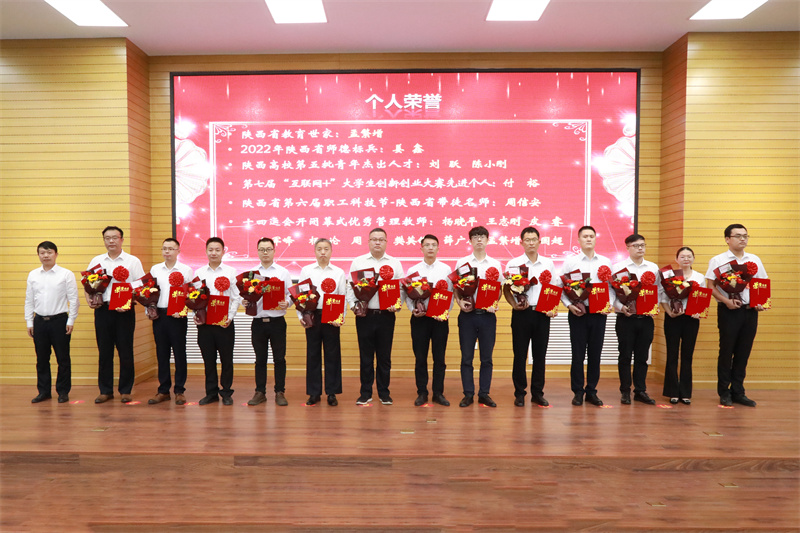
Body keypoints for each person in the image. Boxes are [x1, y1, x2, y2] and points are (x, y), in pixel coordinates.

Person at [706, 224, 769, 407]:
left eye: (745, 236)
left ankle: (738, 391)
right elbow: (710, 286)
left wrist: (761, 302)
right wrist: (726, 301)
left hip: (750, 311)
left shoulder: (754, 259)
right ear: (727, 239)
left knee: (743, 351)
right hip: (728, 311)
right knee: (726, 351)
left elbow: (761, 283)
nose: (743, 239)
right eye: (738, 236)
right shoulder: (718, 260)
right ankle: (724, 391)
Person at [86, 226, 144, 404]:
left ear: (121, 240)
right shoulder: (97, 261)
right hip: (103, 310)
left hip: (125, 312)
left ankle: (125, 390)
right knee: (104, 351)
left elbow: (141, 286)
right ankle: (105, 390)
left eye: (114, 237)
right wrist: (89, 299)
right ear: (104, 240)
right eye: (107, 238)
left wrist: (128, 300)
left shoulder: (132, 261)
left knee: (125, 351)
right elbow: (88, 284)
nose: (111, 241)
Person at [347, 228, 404, 405]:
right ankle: (365, 393)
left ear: (386, 242)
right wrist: (353, 306)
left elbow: (401, 288)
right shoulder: (358, 262)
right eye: (374, 239)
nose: (377, 242)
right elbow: (350, 287)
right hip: (365, 316)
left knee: (384, 356)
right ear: (368, 242)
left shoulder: (395, 263)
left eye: (381, 239)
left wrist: (397, 304)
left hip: (386, 316)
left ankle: (384, 393)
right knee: (365, 356)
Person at [560, 225, 614, 407]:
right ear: (578, 240)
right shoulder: (571, 262)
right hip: (578, 313)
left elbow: (612, 288)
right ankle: (577, 392)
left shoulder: (605, 261)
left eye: (591, 236)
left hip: (598, 314)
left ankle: (591, 391)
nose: (589, 239)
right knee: (577, 354)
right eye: (585, 236)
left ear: (596, 239)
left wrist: (609, 304)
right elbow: (562, 288)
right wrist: (569, 306)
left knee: (595, 354)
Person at [504, 227, 558, 407]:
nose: (531, 243)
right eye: (527, 240)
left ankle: (537, 393)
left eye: (534, 239)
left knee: (540, 355)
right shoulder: (514, 263)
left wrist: (552, 308)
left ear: (539, 241)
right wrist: (514, 305)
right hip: (521, 314)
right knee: (519, 355)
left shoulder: (548, 263)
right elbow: (506, 289)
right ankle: (520, 393)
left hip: (542, 314)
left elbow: (554, 287)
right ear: (521, 242)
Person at [25, 241, 80, 404]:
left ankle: (63, 391)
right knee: (42, 359)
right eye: (42, 253)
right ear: (38, 255)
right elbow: (29, 300)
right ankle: (44, 392)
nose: (46, 255)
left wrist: (71, 320)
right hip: (39, 321)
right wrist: (29, 322)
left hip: (60, 321)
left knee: (63, 358)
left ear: (56, 254)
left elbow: (74, 299)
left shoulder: (66, 274)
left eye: (49, 252)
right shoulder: (33, 275)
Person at [455, 226, 502, 408]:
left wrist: (494, 303)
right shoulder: (462, 263)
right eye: (475, 237)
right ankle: (468, 394)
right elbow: (456, 288)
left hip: (487, 317)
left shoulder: (495, 264)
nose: (479, 240)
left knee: (486, 358)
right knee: (466, 357)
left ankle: (484, 394)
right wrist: (459, 302)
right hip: (467, 316)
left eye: (482, 236)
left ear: (488, 240)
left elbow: (499, 289)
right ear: (470, 241)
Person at [612, 233, 661, 405]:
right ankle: (625, 391)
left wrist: (655, 306)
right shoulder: (619, 268)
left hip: (646, 318)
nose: (640, 248)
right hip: (626, 318)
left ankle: (640, 390)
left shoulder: (653, 267)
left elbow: (659, 290)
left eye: (643, 245)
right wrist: (620, 307)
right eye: (636, 246)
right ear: (628, 247)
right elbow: (612, 293)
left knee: (642, 356)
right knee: (625, 356)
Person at [298, 238, 346, 406]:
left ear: (331, 251)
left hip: (332, 315)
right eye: (319, 249)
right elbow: (300, 296)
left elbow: (342, 296)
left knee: (333, 354)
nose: (323, 252)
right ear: (315, 251)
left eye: (326, 249)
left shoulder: (339, 272)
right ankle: (314, 393)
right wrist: (301, 316)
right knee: (313, 354)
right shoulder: (306, 270)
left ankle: (332, 393)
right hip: (312, 315)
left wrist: (340, 317)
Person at [246, 237, 293, 407]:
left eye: (268, 249)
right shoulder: (251, 274)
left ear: (274, 251)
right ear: (258, 251)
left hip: (277, 322)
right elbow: (247, 295)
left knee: (279, 358)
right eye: (262, 249)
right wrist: (245, 301)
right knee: (260, 359)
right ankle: (260, 392)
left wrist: (288, 303)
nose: (265, 252)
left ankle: (280, 392)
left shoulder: (283, 272)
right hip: (258, 322)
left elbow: (291, 294)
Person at [147, 238, 194, 405]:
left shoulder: (186, 270)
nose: (167, 251)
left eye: (171, 248)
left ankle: (180, 390)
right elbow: (149, 292)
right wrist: (149, 310)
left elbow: (191, 294)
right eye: (164, 248)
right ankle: (163, 390)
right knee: (162, 353)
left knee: (179, 353)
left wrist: (183, 310)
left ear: (178, 251)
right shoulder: (155, 269)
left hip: (178, 316)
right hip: (160, 315)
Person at [406, 234, 452, 407]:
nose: (430, 248)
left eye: (434, 245)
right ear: (421, 248)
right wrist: (412, 309)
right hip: (420, 319)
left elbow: (451, 294)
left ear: (438, 248)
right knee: (420, 357)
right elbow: (407, 295)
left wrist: (445, 311)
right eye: (427, 245)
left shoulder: (446, 269)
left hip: (439, 319)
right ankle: (422, 392)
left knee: (439, 358)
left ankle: (438, 393)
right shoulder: (413, 270)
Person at [194, 237, 241, 405]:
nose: (213, 253)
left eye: (217, 250)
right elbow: (194, 297)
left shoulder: (231, 272)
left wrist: (230, 317)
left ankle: (226, 392)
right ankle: (211, 392)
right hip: (205, 323)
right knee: (208, 359)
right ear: (206, 251)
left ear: (223, 251)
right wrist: (196, 314)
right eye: (210, 249)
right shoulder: (199, 272)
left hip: (224, 323)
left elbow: (236, 297)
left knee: (226, 359)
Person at [661, 246, 705, 405]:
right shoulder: (669, 276)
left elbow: (702, 297)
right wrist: (669, 312)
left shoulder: (699, 277)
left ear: (693, 259)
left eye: (689, 256)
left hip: (691, 319)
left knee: (687, 355)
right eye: (682, 256)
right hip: (673, 318)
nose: (686, 259)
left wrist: (698, 312)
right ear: (676, 259)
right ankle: (672, 391)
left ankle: (685, 392)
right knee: (672, 354)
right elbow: (663, 298)